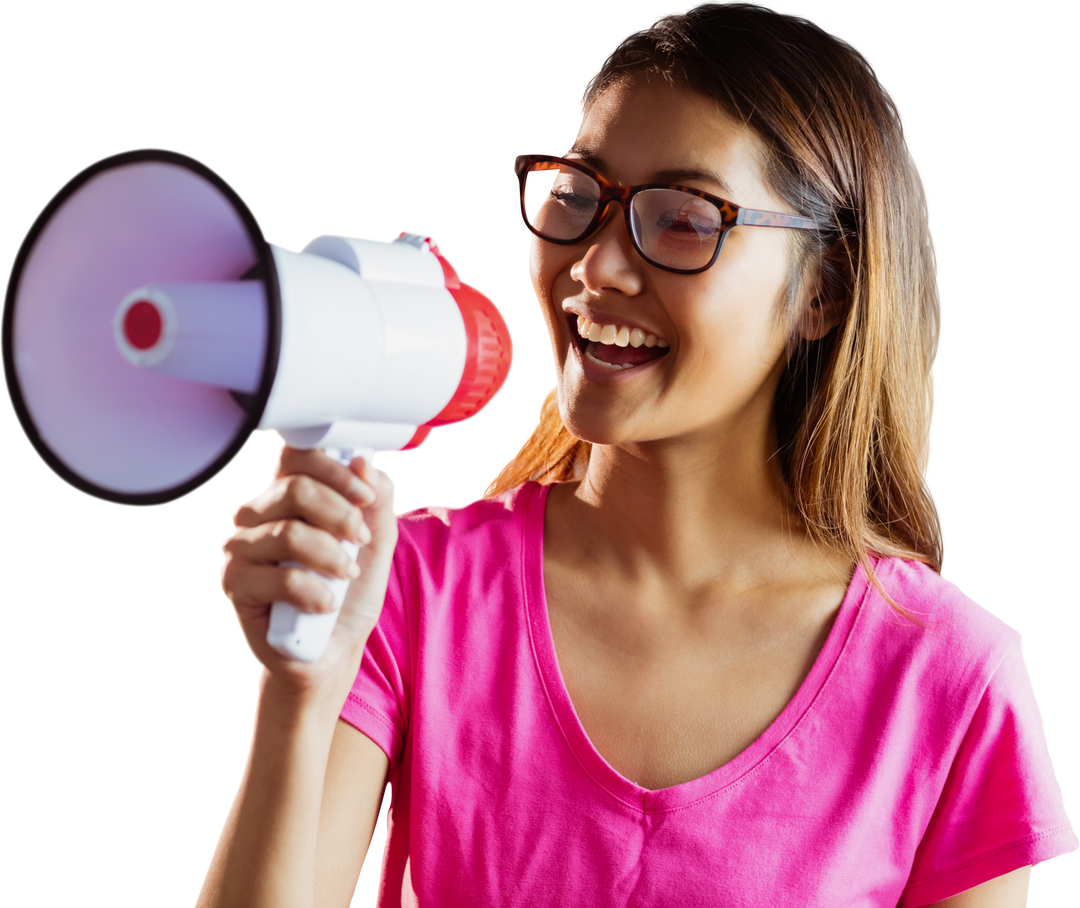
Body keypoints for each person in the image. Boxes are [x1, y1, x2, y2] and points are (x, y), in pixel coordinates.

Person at [194, 2, 1078, 905]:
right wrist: (299, 689)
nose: (596, 269)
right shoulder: (407, 589)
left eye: (685, 220)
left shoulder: (954, 681)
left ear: (825, 291)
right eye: (577, 197)